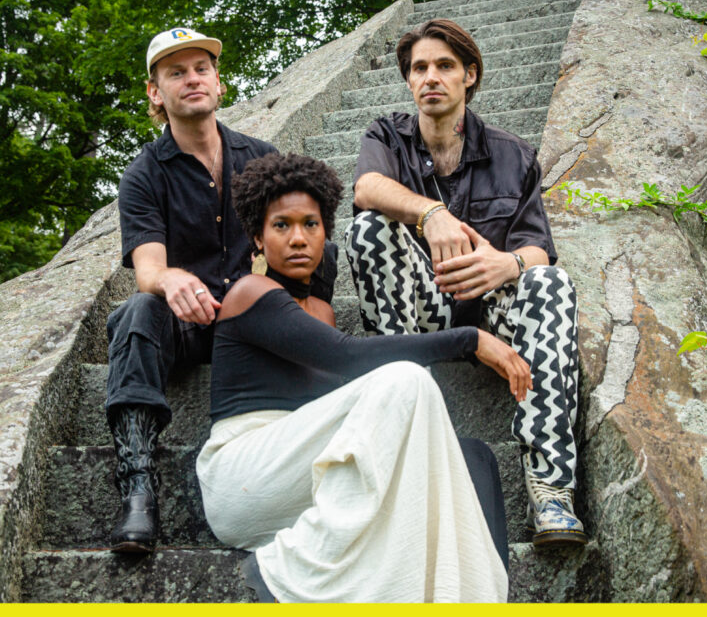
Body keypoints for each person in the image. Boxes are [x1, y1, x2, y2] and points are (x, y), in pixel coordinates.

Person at [196, 151, 527, 602]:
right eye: (282, 225)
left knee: (471, 459)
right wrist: (469, 339)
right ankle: (294, 571)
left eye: (310, 225)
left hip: (299, 476)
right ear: (256, 239)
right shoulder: (250, 293)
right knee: (405, 381)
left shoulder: (323, 311)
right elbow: (347, 357)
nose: (298, 239)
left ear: (325, 233)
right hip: (244, 478)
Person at [348, 18, 586, 546]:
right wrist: (430, 213)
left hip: (493, 312)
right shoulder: (387, 135)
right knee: (366, 229)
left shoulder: (512, 153)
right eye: (419, 68)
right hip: (422, 309)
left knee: (551, 282)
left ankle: (551, 486)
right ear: (409, 81)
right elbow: (365, 188)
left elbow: (538, 247)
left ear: (469, 76)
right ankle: (403, 426)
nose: (430, 77)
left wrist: (509, 265)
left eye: (444, 66)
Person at [106, 27, 335, 552]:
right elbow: (147, 269)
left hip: (256, 323)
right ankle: (138, 486)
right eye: (175, 72)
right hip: (191, 324)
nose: (192, 79)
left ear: (218, 83)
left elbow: (305, 233)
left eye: (201, 69)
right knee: (137, 312)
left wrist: (300, 302)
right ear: (154, 93)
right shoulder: (143, 175)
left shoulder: (260, 157)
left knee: (318, 246)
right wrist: (169, 278)